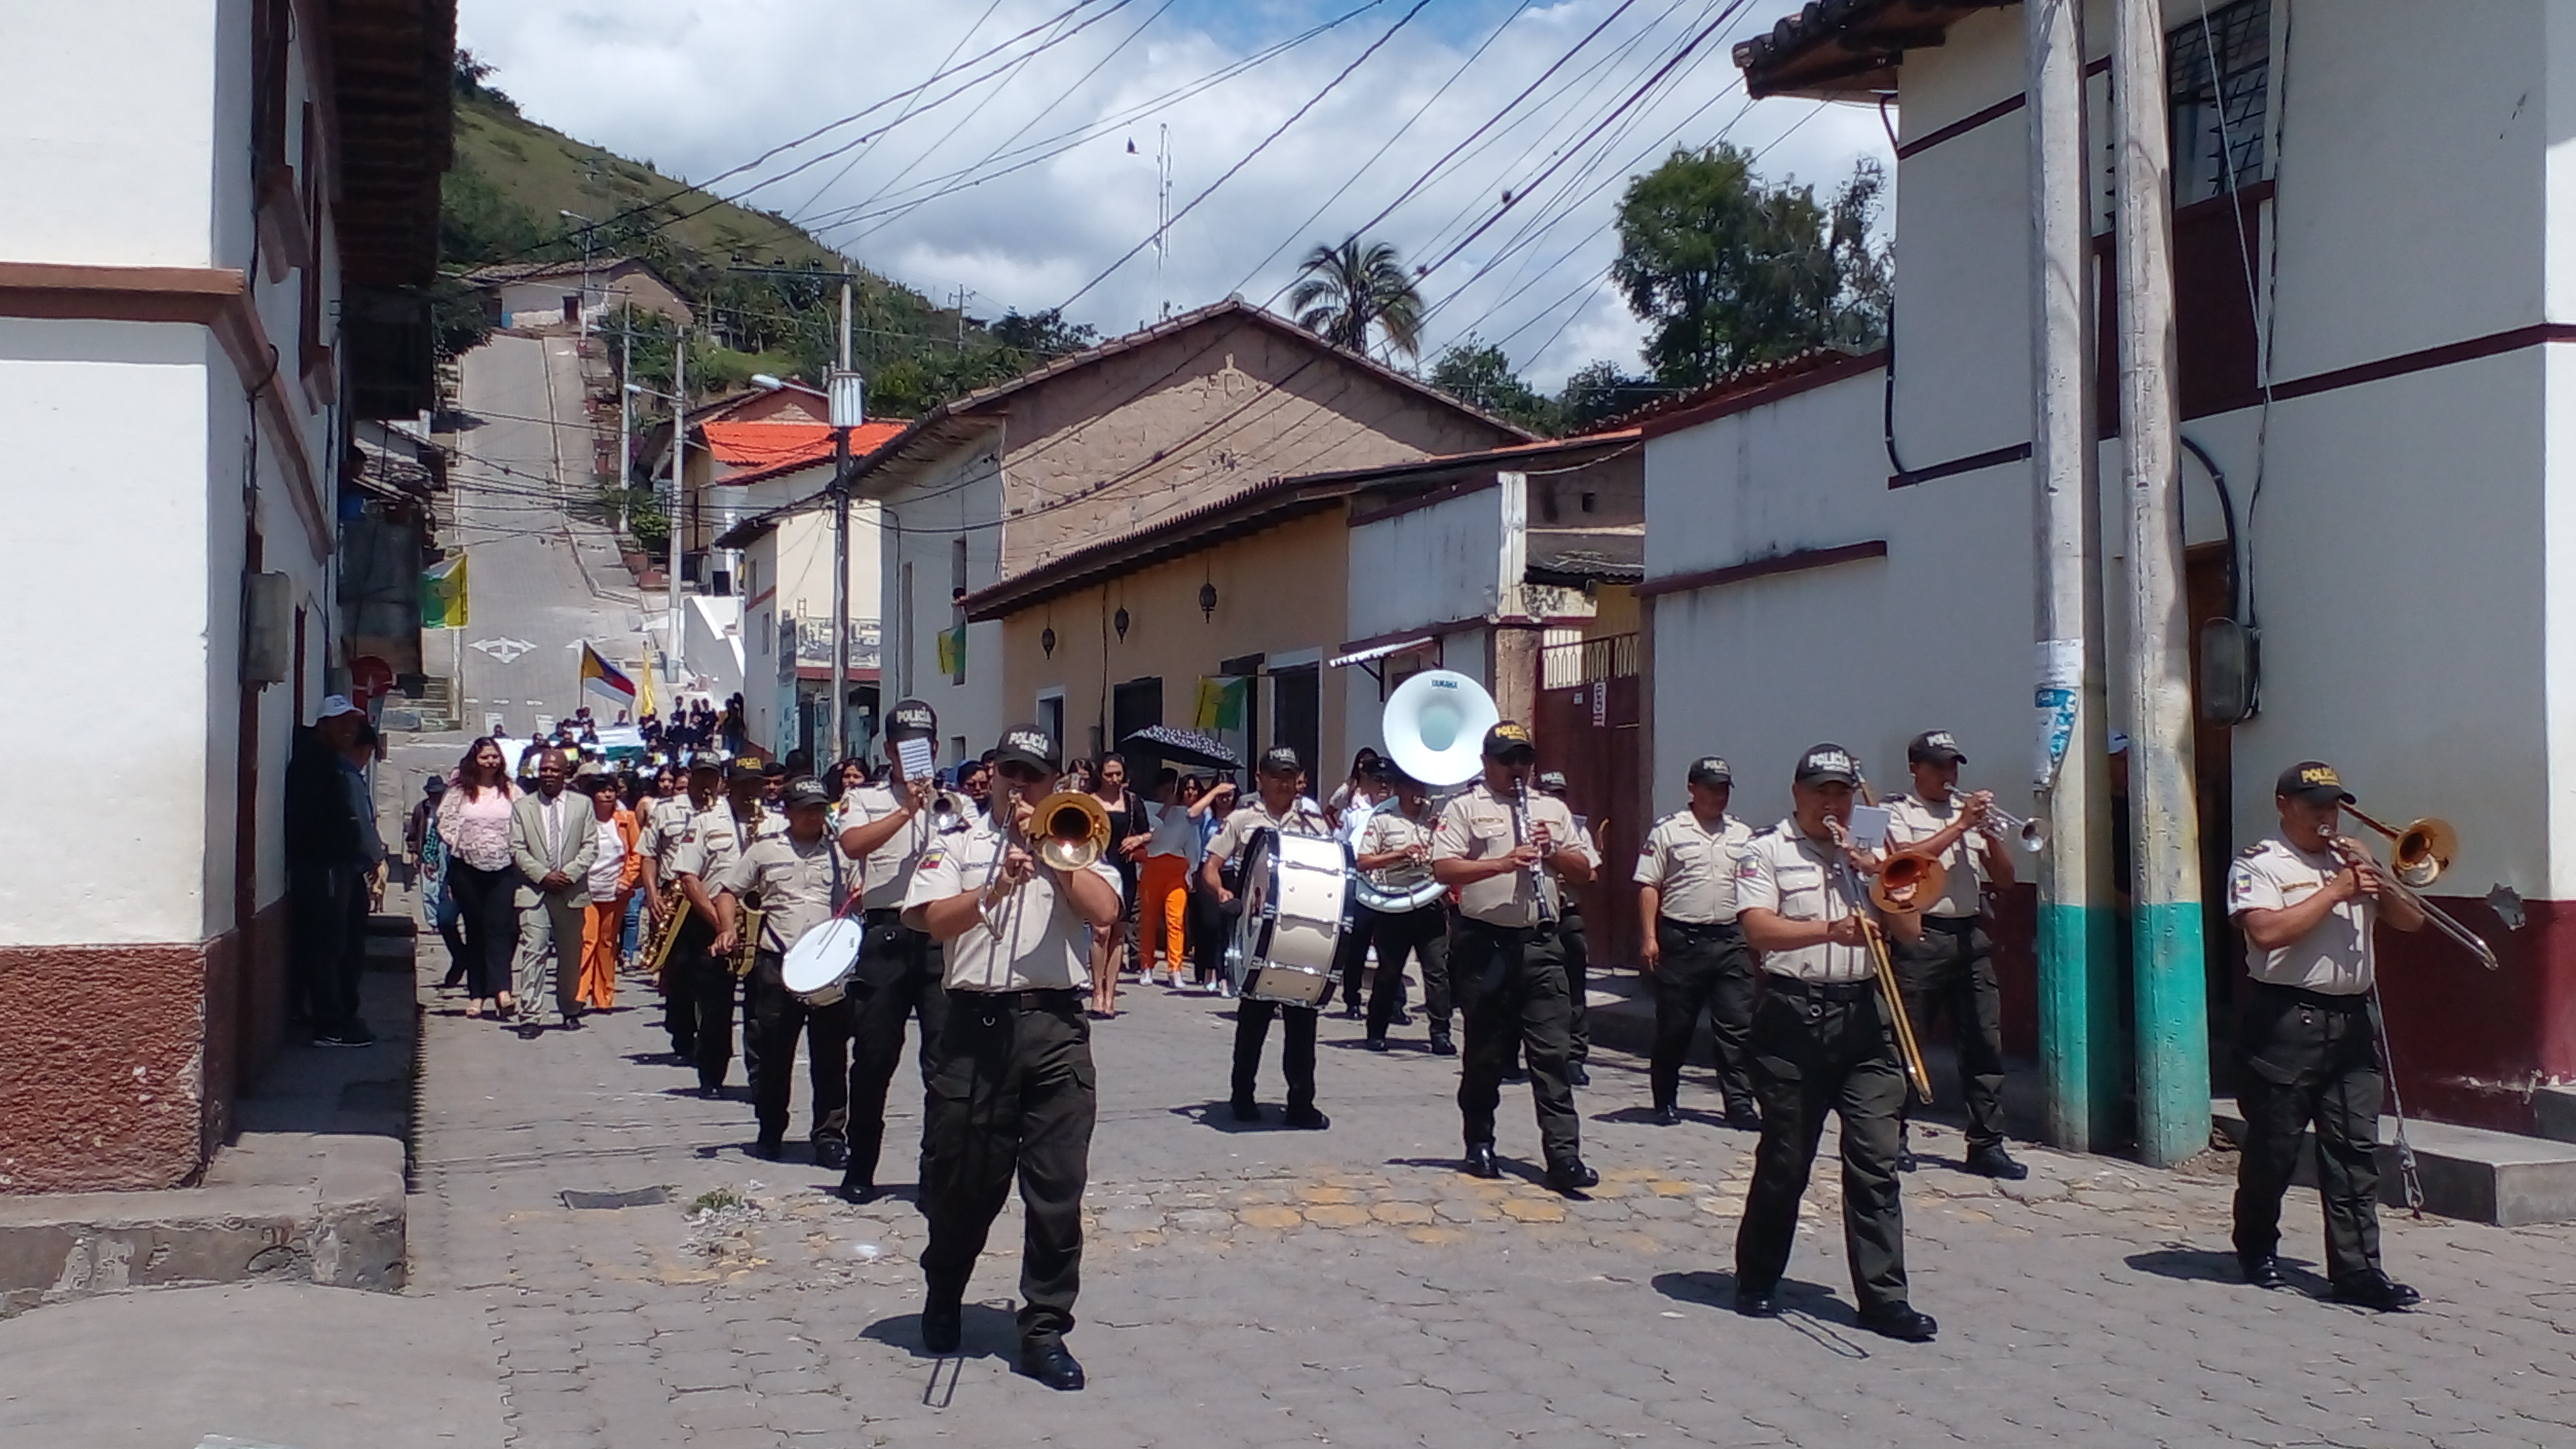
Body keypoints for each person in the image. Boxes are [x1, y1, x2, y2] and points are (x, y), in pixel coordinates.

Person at [904, 725, 1121, 1392]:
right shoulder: (956, 844)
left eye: (1034, 775)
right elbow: (930, 920)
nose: (1021, 786)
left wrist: (1052, 854)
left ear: (1053, 783)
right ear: (992, 775)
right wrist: (992, 890)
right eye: (1011, 773)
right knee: (964, 1185)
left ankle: (1045, 1329)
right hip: (974, 1028)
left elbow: (1106, 911)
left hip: (1053, 1026)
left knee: (1057, 1190)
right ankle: (945, 1292)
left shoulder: (1077, 839)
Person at [1731, 743, 1937, 1342]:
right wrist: (1830, 929)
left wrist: (1880, 875)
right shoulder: (1766, 849)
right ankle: (1758, 1276)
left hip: (1866, 1019)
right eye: (1821, 791)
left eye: (1842, 792)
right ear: (1797, 793)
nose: (1833, 802)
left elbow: (1911, 930)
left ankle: (1884, 1299)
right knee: (1785, 1162)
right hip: (1794, 1016)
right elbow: (1756, 927)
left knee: (1875, 1164)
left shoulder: (1874, 848)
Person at [2226, 761, 2424, 1312]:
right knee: (2275, 1146)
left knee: (2355, 1151)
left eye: (2333, 805)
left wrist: (2381, 878)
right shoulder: (2260, 863)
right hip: (2286, 1019)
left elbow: (2412, 923)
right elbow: (2266, 934)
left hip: (2353, 1022)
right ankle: (2257, 1246)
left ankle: (2359, 1273)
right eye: (2314, 804)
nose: (2326, 815)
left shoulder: (2352, 860)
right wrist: (2336, 889)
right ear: (2283, 804)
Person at [1431, 723, 1599, 1193]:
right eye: (1507, 760)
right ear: (1487, 763)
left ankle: (1564, 1155)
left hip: (1541, 941)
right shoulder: (1465, 808)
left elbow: (1586, 872)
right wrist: (1503, 863)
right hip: (1485, 942)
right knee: (1485, 1051)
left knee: (1552, 1052)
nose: (1517, 769)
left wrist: (1554, 854)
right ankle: (1479, 1140)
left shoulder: (1553, 809)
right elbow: (1443, 867)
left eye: (1524, 759)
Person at [1882, 731, 2027, 1179]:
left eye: (1954, 765)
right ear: (1915, 769)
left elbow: (2004, 880)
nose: (1950, 775)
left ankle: (1986, 1142)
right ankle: (1893, 1138)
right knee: (1908, 1042)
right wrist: (1961, 826)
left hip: (1969, 936)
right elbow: (1901, 863)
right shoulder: (1896, 813)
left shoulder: (1968, 820)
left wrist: (1991, 838)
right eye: (1940, 765)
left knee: (1984, 1041)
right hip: (1921, 936)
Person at [835, 699, 955, 1202]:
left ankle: (937, 1173)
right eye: (907, 749)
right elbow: (853, 845)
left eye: (925, 747)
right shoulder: (864, 798)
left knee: (945, 1064)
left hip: (938, 936)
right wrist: (907, 809)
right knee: (874, 1058)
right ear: (889, 750)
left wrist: (935, 808)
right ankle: (861, 1166)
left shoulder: (954, 805)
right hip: (886, 935)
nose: (917, 757)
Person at [716, 777, 860, 1162]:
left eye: (820, 808)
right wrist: (728, 929)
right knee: (774, 1055)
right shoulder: (765, 850)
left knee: (830, 1056)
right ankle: (770, 1128)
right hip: (777, 963)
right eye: (808, 808)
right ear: (789, 811)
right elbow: (729, 891)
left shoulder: (841, 853)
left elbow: (859, 896)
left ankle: (829, 1135)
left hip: (828, 970)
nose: (815, 815)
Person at [1204, 748, 1336, 1129]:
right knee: (1253, 1021)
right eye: (1276, 775)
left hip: (1301, 932)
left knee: (1302, 1021)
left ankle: (1301, 1102)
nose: (1284, 782)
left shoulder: (1314, 823)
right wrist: (1223, 895)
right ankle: (1242, 1096)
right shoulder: (1242, 819)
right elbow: (1210, 867)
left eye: (1290, 775)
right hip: (1256, 931)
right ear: (1260, 778)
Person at [1636, 755, 1760, 1129]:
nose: (1718, 796)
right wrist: (1649, 937)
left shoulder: (1742, 834)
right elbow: (1648, 886)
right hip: (1683, 941)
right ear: (1692, 788)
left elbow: (1756, 886)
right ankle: (1665, 1099)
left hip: (1729, 940)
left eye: (1723, 789)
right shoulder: (1669, 831)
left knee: (1737, 1027)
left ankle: (1739, 1104)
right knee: (1676, 1027)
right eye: (1710, 788)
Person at [663, 757, 782, 1094]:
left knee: (764, 1006)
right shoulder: (704, 822)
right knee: (716, 1006)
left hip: (763, 925)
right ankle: (712, 1074)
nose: (750, 791)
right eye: (743, 784)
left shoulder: (777, 822)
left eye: (755, 784)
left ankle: (761, 1078)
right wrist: (720, 924)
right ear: (727, 785)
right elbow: (688, 876)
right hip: (713, 922)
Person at [286, 696, 378, 1046]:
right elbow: (308, 819)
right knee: (329, 945)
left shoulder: (329, 763)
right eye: (341, 723)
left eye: (352, 725)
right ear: (322, 724)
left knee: (343, 942)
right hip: (324, 865)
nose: (348, 730)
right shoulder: (316, 764)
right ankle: (330, 1024)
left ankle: (337, 1015)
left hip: (339, 865)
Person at [1356, 762, 1451, 1053]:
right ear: (1399, 789)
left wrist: (1440, 833)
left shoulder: (1433, 819)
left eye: (1421, 787)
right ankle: (1377, 1029)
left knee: (1438, 971)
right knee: (1389, 972)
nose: (1418, 793)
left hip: (1430, 900)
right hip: (1395, 902)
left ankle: (1440, 1033)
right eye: (1411, 786)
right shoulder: (1383, 818)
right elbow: (1362, 861)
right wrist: (1399, 854)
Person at [508, 747, 598, 1038]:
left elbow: (590, 847)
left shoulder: (582, 806)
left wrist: (568, 874)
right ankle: (530, 1014)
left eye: (554, 770)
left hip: (571, 892)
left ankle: (570, 1008)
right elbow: (517, 849)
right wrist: (543, 875)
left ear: (565, 773)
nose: (548, 774)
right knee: (534, 951)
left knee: (570, 955)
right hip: (534, 891)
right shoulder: (523, 807)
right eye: (544, 769)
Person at [437, 737, 519, 1019]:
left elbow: (523, 823)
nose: (491, 762)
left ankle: (502, 991)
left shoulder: (510, 791)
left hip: (503, 867)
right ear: (476, 759)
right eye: (485, 757)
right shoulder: (461, 791)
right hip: (467, 868)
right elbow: (444, 821)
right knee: (475, 929)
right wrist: (463, 844)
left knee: (500, 929)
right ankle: (476, 994)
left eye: (494, 757)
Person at [638, 757, 713, 1055]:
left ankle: (709, 1039)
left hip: (712, 895)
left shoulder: (725, 811)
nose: (707, 783)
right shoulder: (667, 810)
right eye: (702, 775)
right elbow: (648, 854)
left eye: (713, 776)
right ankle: (682, 1033)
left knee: (710, 971)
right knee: (679, 970)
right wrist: (653, 894)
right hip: (675, 897)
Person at [1534, 769, 1592, 1085]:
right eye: (1549, 794)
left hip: (1566, 913)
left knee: (1574, 991)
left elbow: (1591, 873)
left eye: (1560, 795)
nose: (1555, 801)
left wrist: (1565, 869)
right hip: (1532, 919)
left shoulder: (1575, 831)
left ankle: (1575, 1057)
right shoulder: (1522, 826)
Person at [578, 771, 641, 1011]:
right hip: (586, 890)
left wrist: (627, 879)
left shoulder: (627, 819)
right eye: (602, 791)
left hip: (616, 891)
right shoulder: (583, 819)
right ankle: (580, 994)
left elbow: (636, 852)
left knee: (607, 942)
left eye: (611, 791)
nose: (607, 795)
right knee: (588, 940)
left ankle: (604, 996)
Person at [1090, 753, 1144, 1016]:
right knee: (1101, 931)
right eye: (1109, 774)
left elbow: (1149, 831)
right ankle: (1096, 991)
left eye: (1118, 774)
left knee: (1119, 934)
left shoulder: (1132, 801)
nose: (1114, 779)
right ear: (1100, 774)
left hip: (1125, 869)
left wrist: (1138, 840)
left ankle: (1111, 994)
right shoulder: (1089, 801)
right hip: (1097, 867)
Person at [1136, 770, 1196, 988]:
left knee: (1175, 920)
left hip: (1177, 868)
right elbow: (1153, 832)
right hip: (1153, 865)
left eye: (1173, 789)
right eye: (1165, 789)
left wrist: (1192, 868)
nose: (1169, 793)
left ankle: (1175, 968)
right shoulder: (1148, 808)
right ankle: (1146, 966)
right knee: (1149, 920)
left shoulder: (1185, 814)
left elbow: (1192, 842)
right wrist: (1166, 806)